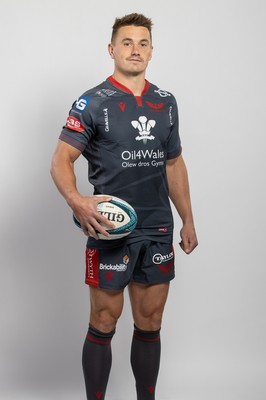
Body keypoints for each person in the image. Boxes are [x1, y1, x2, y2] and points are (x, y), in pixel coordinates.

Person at [51, 12, 198, 400]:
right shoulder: (92, 101)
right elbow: (60, 160)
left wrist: (188, 219)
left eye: (143, 43)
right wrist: (78, 201)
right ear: (112, 49)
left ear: (152, 51)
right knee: (103, 320)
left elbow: (173, 163)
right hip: (110, 226)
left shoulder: (165, 103)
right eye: (127, 42)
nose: (135, 49)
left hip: (157, 226)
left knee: (150, 320)